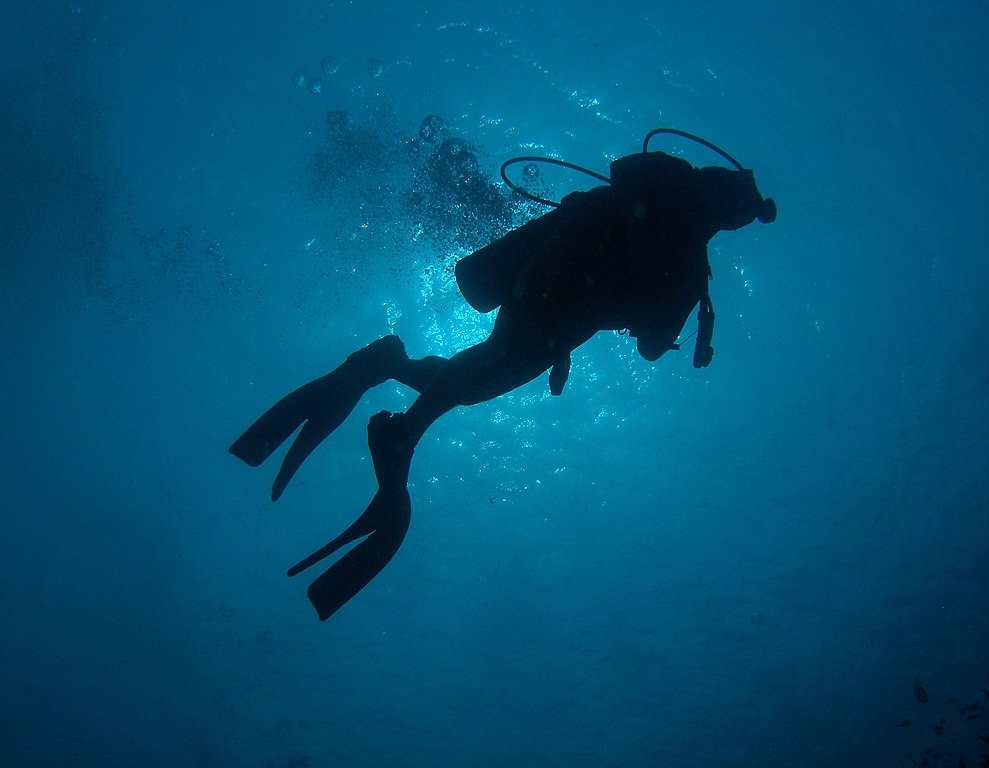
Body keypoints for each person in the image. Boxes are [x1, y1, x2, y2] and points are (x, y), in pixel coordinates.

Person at [230, 145, 777, 620]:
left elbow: (619, 282)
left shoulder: (665, 223)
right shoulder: (686, 254)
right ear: (728, 213)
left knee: (479, 375)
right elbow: (652, 344)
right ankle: (402, 430)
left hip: (546, 279)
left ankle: (389, 370)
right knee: (485, 372)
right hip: (559, 301)